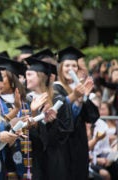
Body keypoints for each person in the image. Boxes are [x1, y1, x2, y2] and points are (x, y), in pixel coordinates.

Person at [53, 46, 99, 180]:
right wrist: (76, 99)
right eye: (67, 65)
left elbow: (91, 117)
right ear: (60, 67)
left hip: (79, 143)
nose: (71, 68)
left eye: (74, 65)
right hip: (63, 144)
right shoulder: (56, 89)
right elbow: (64, 118)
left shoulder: (78, 87)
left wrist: (84, 97)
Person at [25, 56, 72, 180]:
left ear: (41, 76)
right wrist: (35, 115)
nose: (26, 78)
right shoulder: (26, 100)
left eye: (30, 75)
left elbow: (65, 133)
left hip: (54, 160)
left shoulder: (58, 101)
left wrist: (52, 122)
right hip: (32, 159)